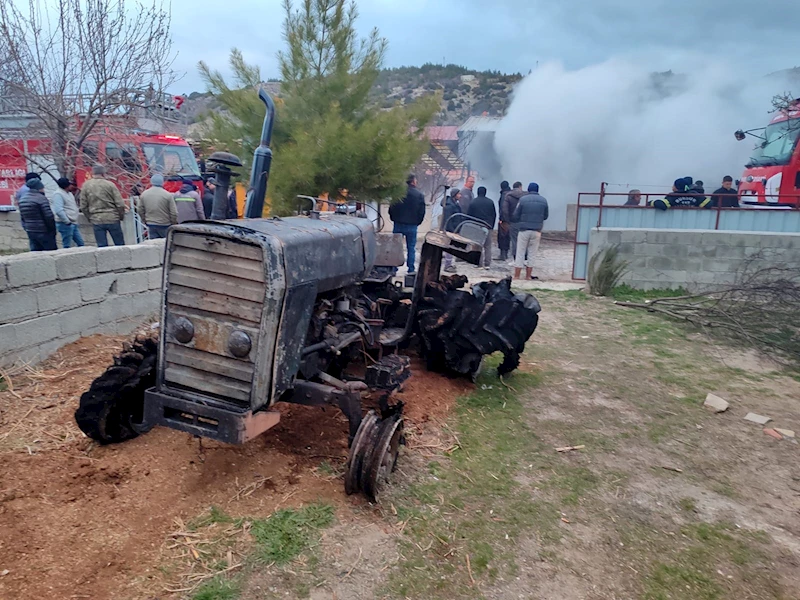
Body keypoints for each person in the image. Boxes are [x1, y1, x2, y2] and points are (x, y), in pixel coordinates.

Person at [80, 164, 126, 246]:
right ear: (103, 174)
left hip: (97, 220)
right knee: (119, 245)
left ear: (93, 174)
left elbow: (83, 206)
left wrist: (90, 217)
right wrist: (120, 216)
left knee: (102, 247)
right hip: (113, 218)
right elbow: (120, 204)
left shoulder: (86, 186)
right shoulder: (110, 185)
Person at [388, 174, 426, 274]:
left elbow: (392, 208)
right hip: (412, 225)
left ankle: (394, 268)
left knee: (395, 247)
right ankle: (411, 269)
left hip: (398, 223)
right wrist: (417, 222)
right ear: (413, 181)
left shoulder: (398, 194)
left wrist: (393, 218)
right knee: (411, 248)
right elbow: (421, 211)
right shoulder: (419, 195)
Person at [512, 182, 549, 280]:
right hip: (537, 230)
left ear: (528, 190)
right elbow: (546, 216)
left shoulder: (523, 199)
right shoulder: (543, 200)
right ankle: (528, 276)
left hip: (524, 229)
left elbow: (516, 214)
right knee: (532, 253)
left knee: (520, 251)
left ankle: (517, 275)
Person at [18, 177, 57, 251]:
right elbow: (49, 217)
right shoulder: (41, 198)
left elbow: (23, 217)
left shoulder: (22, 199)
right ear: (39, 187)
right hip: (43, 231)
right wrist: (52, 230)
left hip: (30, 230)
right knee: (50, 253)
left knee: (35, 253)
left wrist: (26, 228)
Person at [138, 174, 178, 239]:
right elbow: (174, 213)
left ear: (151, 182)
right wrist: (173, 223)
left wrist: (145, 220)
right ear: (162, 182)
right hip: (165, 224)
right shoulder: (167, 195)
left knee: (154, 245)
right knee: (166, 244)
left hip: (151, 224)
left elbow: (140, 210)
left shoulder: (144, 194)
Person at [468, 186, 497, 269]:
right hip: (488, 226)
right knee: (488, 246)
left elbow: (469, 215)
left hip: (477, 227)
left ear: (477, 192)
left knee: (477, 245)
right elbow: (494, 214)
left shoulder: (473, 202)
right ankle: (487, 264)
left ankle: (479, 263)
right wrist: (491, 225)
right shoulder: (490, 202)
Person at [51, 177, 84, 248]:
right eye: (70, 185)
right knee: (67, 244)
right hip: (65, 224)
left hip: (73, 222)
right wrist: (67, 221)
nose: (71, 186)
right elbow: (58, 210)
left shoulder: (69, 193)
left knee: (81, 243)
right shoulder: (58, 194)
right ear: (66, 186)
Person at [503, 182, 526, 259]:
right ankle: (524, 257)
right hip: (523, 221)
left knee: (514, 240)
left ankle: (516, 258)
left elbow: (505, 210)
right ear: (520, 186)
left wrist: (507, 220)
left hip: (513, 221)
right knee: (524, 240)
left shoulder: (508, 196)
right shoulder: (525, 196)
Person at [442, 188, 462, 273]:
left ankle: (448, 264)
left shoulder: (454, 204)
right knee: (449, 247)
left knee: (450, 247)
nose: (460, 195)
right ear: (455, 195)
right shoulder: (450, 206)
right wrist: (452, 230)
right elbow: (448, 219)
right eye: (459, 194)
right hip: (451, 229)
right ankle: (447, 265)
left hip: (454, 228)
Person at [497, 181, 511, 260]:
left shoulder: (504, 195)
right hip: (511, 219)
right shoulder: (510, 194)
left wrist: (502, 219)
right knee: (507, 236)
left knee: (502, 236)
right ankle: (506, 253)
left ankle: (503, 254)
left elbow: (503, 208)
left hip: (504, 219)